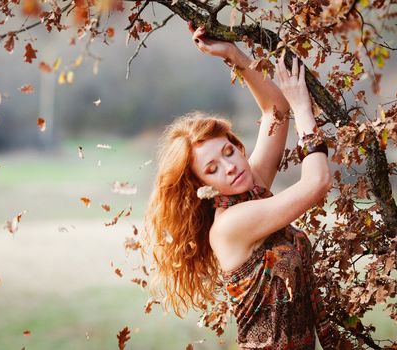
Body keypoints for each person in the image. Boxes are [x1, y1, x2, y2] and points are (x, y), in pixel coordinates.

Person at [144, 25, 339, 349]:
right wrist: (305, 110)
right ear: (202, 184)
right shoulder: (230, 225)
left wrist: (233, 55)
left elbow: (275, 111)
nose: (230, 166)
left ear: (238, 145)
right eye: (212, 168)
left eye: (228, 151)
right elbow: (317, 182)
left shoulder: (252, 190)